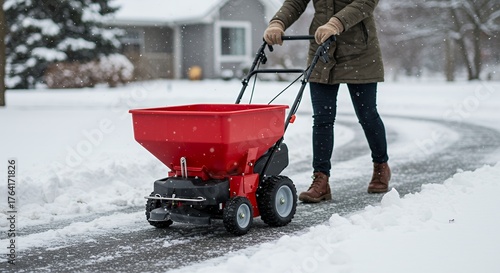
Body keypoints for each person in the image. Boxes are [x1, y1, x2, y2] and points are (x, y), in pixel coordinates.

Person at [264, 0, 391, 203]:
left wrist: (336, 22)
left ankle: (380, 166)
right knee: (322, 118)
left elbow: (366, 3)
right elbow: (295, 2)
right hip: (322, 48)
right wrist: (278, 22)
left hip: (359, 52)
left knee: (367, 114)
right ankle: (321, 179)